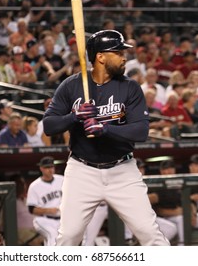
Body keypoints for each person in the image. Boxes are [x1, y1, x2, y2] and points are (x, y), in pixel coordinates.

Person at [43, 29, 170, 246]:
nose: (124, 57)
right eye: (118, 52)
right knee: (68, 237)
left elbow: (141, 131)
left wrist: (105, 129)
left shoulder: (130, 87)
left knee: (150, 234)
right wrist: (74, 117)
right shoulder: (71, 85)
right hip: (82, 171)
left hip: (123, 170)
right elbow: (49, 125)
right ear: (100, 57)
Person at [26, 156, 64, 246]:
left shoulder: (62, 179)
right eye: (47, 167)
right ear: (41, 168)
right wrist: (49, 210)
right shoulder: (34, 186)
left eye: (51, 167)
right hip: (43, 219)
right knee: (52, 235)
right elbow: (31, 209)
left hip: (61, 219)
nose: (50, 170)